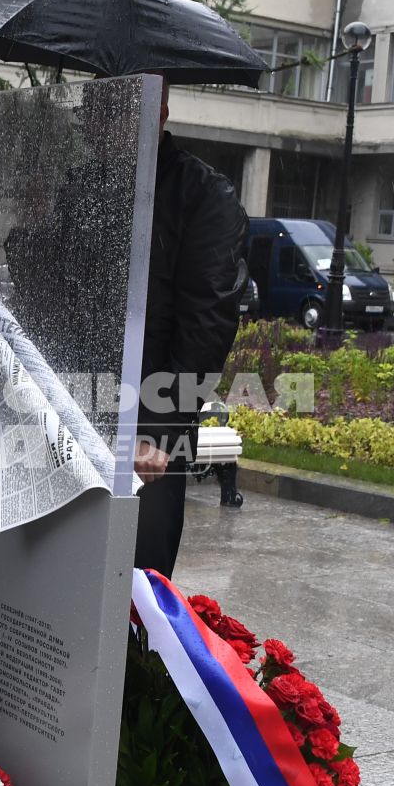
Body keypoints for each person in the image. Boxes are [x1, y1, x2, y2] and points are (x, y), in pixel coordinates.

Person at [134, 82, 247, 577]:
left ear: (158, 112)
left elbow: (208, 322)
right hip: (76, 413)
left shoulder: (201, 194)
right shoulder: (86, 185)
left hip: (147, 425)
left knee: (136, 587)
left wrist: (160, 429)